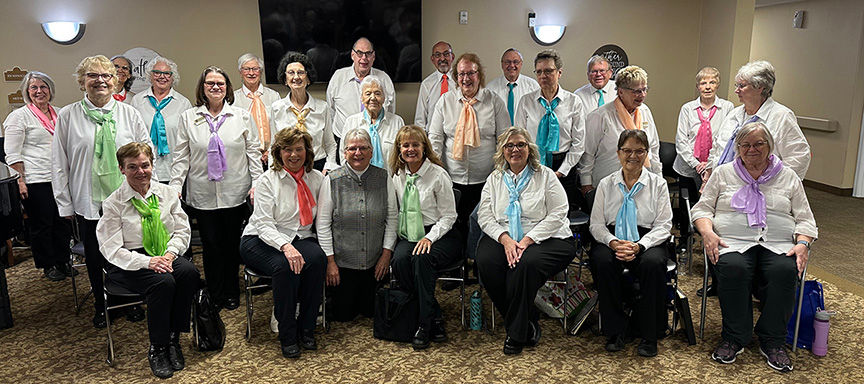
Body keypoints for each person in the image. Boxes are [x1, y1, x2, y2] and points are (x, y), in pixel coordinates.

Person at [692, 122, 818, 373]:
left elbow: (805, 219)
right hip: (732, 242)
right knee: (733, 267)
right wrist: (707, 233)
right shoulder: (723, 173)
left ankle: (773, 340)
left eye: (759, 144)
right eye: (746, 145)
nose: (752, 149)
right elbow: (702, 209)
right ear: (737, 148)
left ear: (770, 147)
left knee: (785, 270)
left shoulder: (788, 176)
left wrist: (803, 244)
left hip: (778, 242)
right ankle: (734, 336)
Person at [53, 55, 152, 328]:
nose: (100, 81)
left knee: (130, 251)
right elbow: (59, 163)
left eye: (106, 76)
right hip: (89, 201)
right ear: (82, 81)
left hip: (127, 200)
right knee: (96, 256)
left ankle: (131, 301)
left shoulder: (129, 113)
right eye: (92, 76)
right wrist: (64, 204)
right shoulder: (68, 116)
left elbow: (146, 154)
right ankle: (103, 303)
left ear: (115, 80)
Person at [96, 142, 198, 379]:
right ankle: (158, 348)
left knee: (188, 273)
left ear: (152, 165)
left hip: (165, 251)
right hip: (129, 260)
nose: (140, 171)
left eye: (145, 165)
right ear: (122, 169)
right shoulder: (114, 203)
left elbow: (183, 231)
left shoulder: (167, 194)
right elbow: (111, 249)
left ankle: (174, 339)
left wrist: (171, 254)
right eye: (132, 167)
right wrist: (148, 262)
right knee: (163, 283)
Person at [170, 66, 262, 310]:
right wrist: (175, 186)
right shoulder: (189, 118)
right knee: (211, 246)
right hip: (203, 195)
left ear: (227, 88)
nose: (215, 87)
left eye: (220, 83)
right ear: (202, 88)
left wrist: (258, 184)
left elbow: (253, 153)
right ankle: (214, 292)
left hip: (235, 193)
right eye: (209, 83)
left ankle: (231, 291)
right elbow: (181, 157)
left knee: (232, 246)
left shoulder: (241, 116)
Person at [475, 127, 575, 355]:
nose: (515, 150)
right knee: (485, 260)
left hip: (548, 237)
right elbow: (485, 215)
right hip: (506, 235)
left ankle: (518, 333)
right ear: (502, 151)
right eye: (509, 146)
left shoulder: (545, 175)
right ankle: (527, 317)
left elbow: (559, 212)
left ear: (529, 149)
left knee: (523, 265)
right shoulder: (495, 178)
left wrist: (529, 239)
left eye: (520, 144)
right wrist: (505, 239)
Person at [239, 128, 328, 358]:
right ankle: (287, 333)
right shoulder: (267, 181)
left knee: (317, 260)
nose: (294, 155)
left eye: (299, 149)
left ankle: (307, 327)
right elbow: (264, 224)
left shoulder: (317, 179)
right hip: (259, 239)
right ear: (279, 153)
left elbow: (323, 219)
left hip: (299, 236)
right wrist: (286, 247)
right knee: (284, 266)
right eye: (287, 149)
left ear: (308, 152)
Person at [589, 129, 673, 358]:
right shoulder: (606, 184)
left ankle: (649, 334)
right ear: (618, 153)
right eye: (627, 150)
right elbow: (596, 225)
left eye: (639, 151)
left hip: (648, 238)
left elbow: (664, 225)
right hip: (613, 237)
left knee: (652, 264)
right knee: (601, 261)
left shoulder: (658, 184)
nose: (632, 156)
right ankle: (616, 330)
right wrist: (613, 242)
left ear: (646, 154)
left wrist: (641, 246)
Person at [388, 125, 462, 350]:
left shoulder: (438, 174)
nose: (411, 149)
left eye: (415, 145)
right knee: (399, 260)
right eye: (406, 145)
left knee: (421, 259)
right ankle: (435, 314)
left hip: (441, 234)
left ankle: (424, 324)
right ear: (399, 149)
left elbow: (449, 216)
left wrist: (430, 238)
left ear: (424, 147)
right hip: (410, 234)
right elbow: (394, 213)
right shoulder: (397, 175)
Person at [317, 128, 397, 322]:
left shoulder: (384, 178)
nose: (358, 153)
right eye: (352, 148)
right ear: (344, 153)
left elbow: (393, 218)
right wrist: (330, 263)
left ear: (371, 152)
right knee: (344, 315)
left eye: (363, 148)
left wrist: (386, 255)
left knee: (371, 312)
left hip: (375, 263)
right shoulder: (332, 181)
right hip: (342, 265)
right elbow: (323, 225)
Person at [428, 53, 510, 236]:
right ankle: (460, 262)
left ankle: (476, 261)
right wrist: (437, 172)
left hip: (486, 179)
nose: (466, 79)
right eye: (461, 74)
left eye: (471, 73)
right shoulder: (445, 101)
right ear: (456, 78)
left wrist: (499, 173)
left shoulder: (494, 101)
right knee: (455, 225)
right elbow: (435, 139)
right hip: (452, 179)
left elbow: (504, 140)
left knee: (481, 225)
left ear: (479, 75)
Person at [3, 71, 72, 281]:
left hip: (61, 178)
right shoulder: (19, 116)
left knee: (63, 221)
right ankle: (48, 264)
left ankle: (63, 260)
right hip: (35, 179)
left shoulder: (60, 113)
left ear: (50, 90)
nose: (39, 91)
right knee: (43, 224)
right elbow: (12, 153)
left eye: (43, 87)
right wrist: (20, 180)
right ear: (27, 92)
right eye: (34, 88)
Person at [672, 66, 733, 295]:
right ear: (697, 86)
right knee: (690, 213)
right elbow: (681, 141)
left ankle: (715, 263)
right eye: (703, 83)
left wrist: (709, 167)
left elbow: (726, 141)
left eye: (711, 83)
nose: (707, 87)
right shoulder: (688, 109)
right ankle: (685, 246)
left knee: (715, 217)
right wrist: (697, 164)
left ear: (717, 85)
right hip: (688, 168)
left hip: (716, 169)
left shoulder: (727, 108)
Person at [706, 60, 810, 181]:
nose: (737, 90)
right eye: (737, 86)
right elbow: (717, 147)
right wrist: (708, 174)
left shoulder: (781, 116)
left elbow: (799, 156)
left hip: (759, 189)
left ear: (760, 87)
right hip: (723, 184)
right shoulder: (733, 114)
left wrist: (774, 184)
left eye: (742, 86)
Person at [513, 49, 585, 210]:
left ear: (559, 72)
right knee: (533, 211)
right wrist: (530, 165)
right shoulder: (526, 101)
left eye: (548, 71)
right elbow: (519, 138)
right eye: (539, 72)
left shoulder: (574, 102)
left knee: (560, 214)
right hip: (533, 163)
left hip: (564, 167)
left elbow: (579, 144)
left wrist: (561, 171)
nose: (543, 76)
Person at [580, 65, 661, 195]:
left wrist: (658, 179)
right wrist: (586, 184)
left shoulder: (645, 111)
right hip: (608, 182)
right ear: (620, 91)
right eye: (636, 91)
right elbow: (588, 153)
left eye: (644, 90)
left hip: (641, 181)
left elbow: (654, 149)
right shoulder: (600, 116)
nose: (642, 95)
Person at [270, 51, 338, 172]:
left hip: (317, 167)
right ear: (285, 79)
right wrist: (274, 171)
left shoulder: (322, 107)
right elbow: (273, 145)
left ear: (308, 79)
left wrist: (329, 166)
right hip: (288, 168)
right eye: (291, 73)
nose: (296, 77)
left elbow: (330, 144)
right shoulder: (276, 108)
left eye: (301, 72)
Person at [130, 57, 193, 183]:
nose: (162, 77)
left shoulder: (183, 103)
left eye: (167, 73)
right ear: (150, 76)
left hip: (174, 172)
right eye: (157, 73)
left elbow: (189, 140)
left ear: (172, 77)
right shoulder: (137, 101)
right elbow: (132, 135)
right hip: (143, 171)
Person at [327, 37, 396, 145]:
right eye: (359, 53)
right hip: (344, 142)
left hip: (377, 142)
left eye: (368, 53)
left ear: (373, 56)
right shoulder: (338, 77)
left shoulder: (384, 79)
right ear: (352, 55)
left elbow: (390, 112)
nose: (364, 58)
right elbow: (331, 111)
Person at [341, 76, 404, 172]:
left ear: (384, 98)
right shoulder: (351, 122)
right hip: (357, 180)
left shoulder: (397, 122)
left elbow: (401, 156)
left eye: (377, 93)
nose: (373, 98)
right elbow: (343, 155)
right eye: (368, 93)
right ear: (362, 98)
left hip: (389, 180)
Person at [233, 53, 281, 163]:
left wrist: (270, 151)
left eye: (255, 69)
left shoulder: (274, 96)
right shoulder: (233, 99)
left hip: (273, 155)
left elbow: (279, 127)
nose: (251, 73)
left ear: (261, 72)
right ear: (240, 72)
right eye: (246, 69)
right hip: (245, 158)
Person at [486, 48, 540, 125]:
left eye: (516, 62)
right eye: (507, 62)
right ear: (502, 64)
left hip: (526, 135)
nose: (512, 65)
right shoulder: (490, 88)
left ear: (521, 64)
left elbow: (539, 114)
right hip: (499, 135)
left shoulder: (533, 86)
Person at [414, 41, 457, 129]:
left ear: (452, 57)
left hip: (456, 135)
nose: (442, 58)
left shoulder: (462, 81)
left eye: (446, 54)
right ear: (432, 59)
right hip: (433, 137)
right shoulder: (426, 84)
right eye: (437, 55)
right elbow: (420, 119)